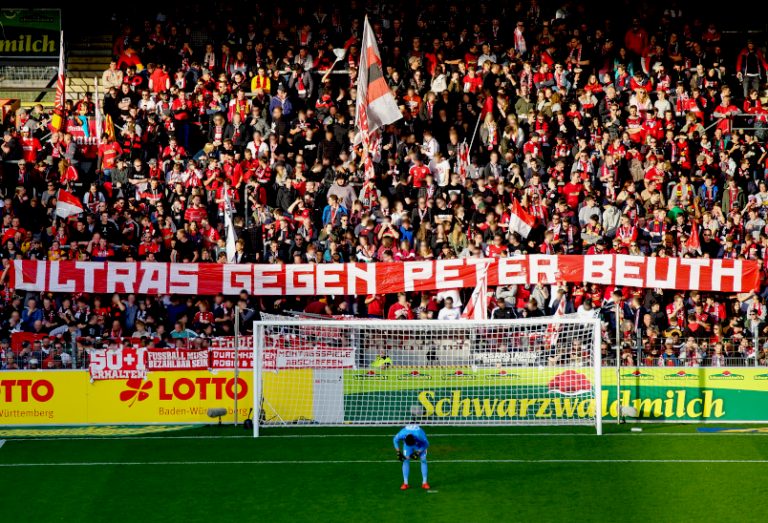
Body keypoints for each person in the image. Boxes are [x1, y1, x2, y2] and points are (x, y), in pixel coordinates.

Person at [393, 424, 430, 490]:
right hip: (408, 446)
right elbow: (395, 440)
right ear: (405, 438)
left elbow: (426, 443)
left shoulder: (419, 435)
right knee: (405, 460)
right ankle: (405, 483)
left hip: (420, 444)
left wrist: (418, 452)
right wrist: (398, 452)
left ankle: (424, 483)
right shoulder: (402, 433)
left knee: (423, 460)